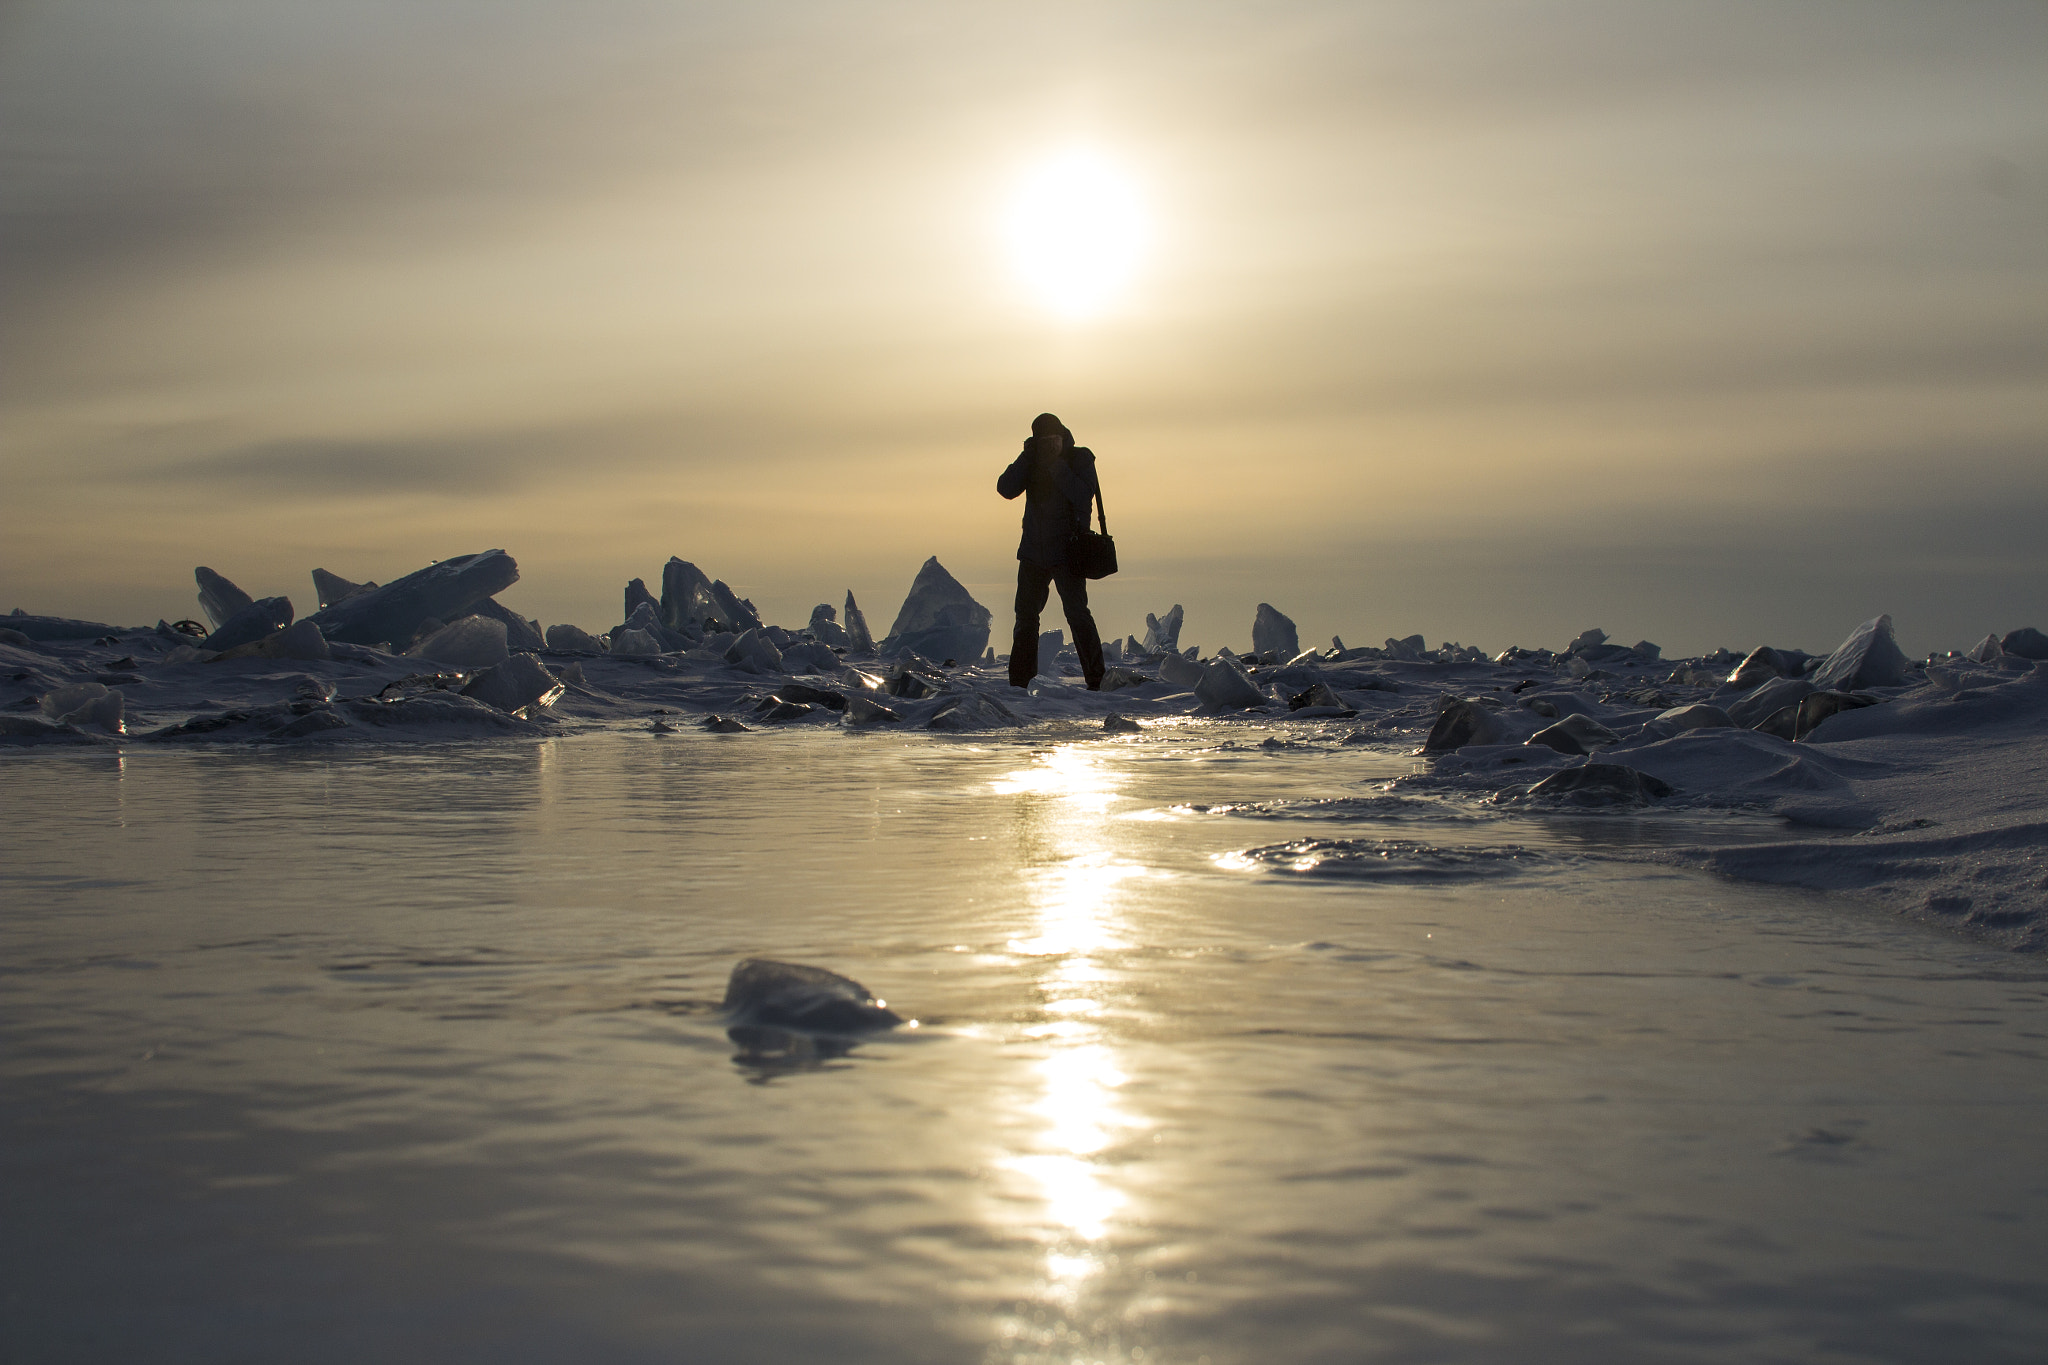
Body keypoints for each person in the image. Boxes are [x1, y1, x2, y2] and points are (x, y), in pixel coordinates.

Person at [997, 412, 1106, 690]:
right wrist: (1027, 458)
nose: (1049, 446)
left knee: (1078, 614)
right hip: (1033, 552)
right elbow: (1005, 488)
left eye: (1054, 440)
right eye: (1044, 441)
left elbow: (1083, 494)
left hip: (1068, 552)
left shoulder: (1079, 458)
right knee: (1025, 619)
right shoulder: (1032, 461)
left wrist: (1056, 465)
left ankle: (1097, 680)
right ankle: (1019, 685)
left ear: (1063, 436)